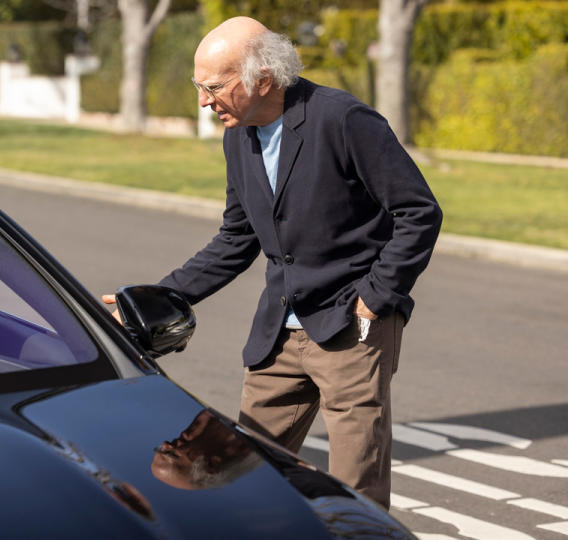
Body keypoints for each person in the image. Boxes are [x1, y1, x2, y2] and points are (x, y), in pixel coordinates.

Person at [105, 16, 442, 508]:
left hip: (351, 327)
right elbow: (236, 238)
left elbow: (418, 211)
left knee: (355, 491)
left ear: (263, 78)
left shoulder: (343, 119)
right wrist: (155, 298)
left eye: (214, 86)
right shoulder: (237, 136)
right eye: (199, 86)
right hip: (277, 338)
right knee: (241, 477)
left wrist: (376, 299)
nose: (203, 101)